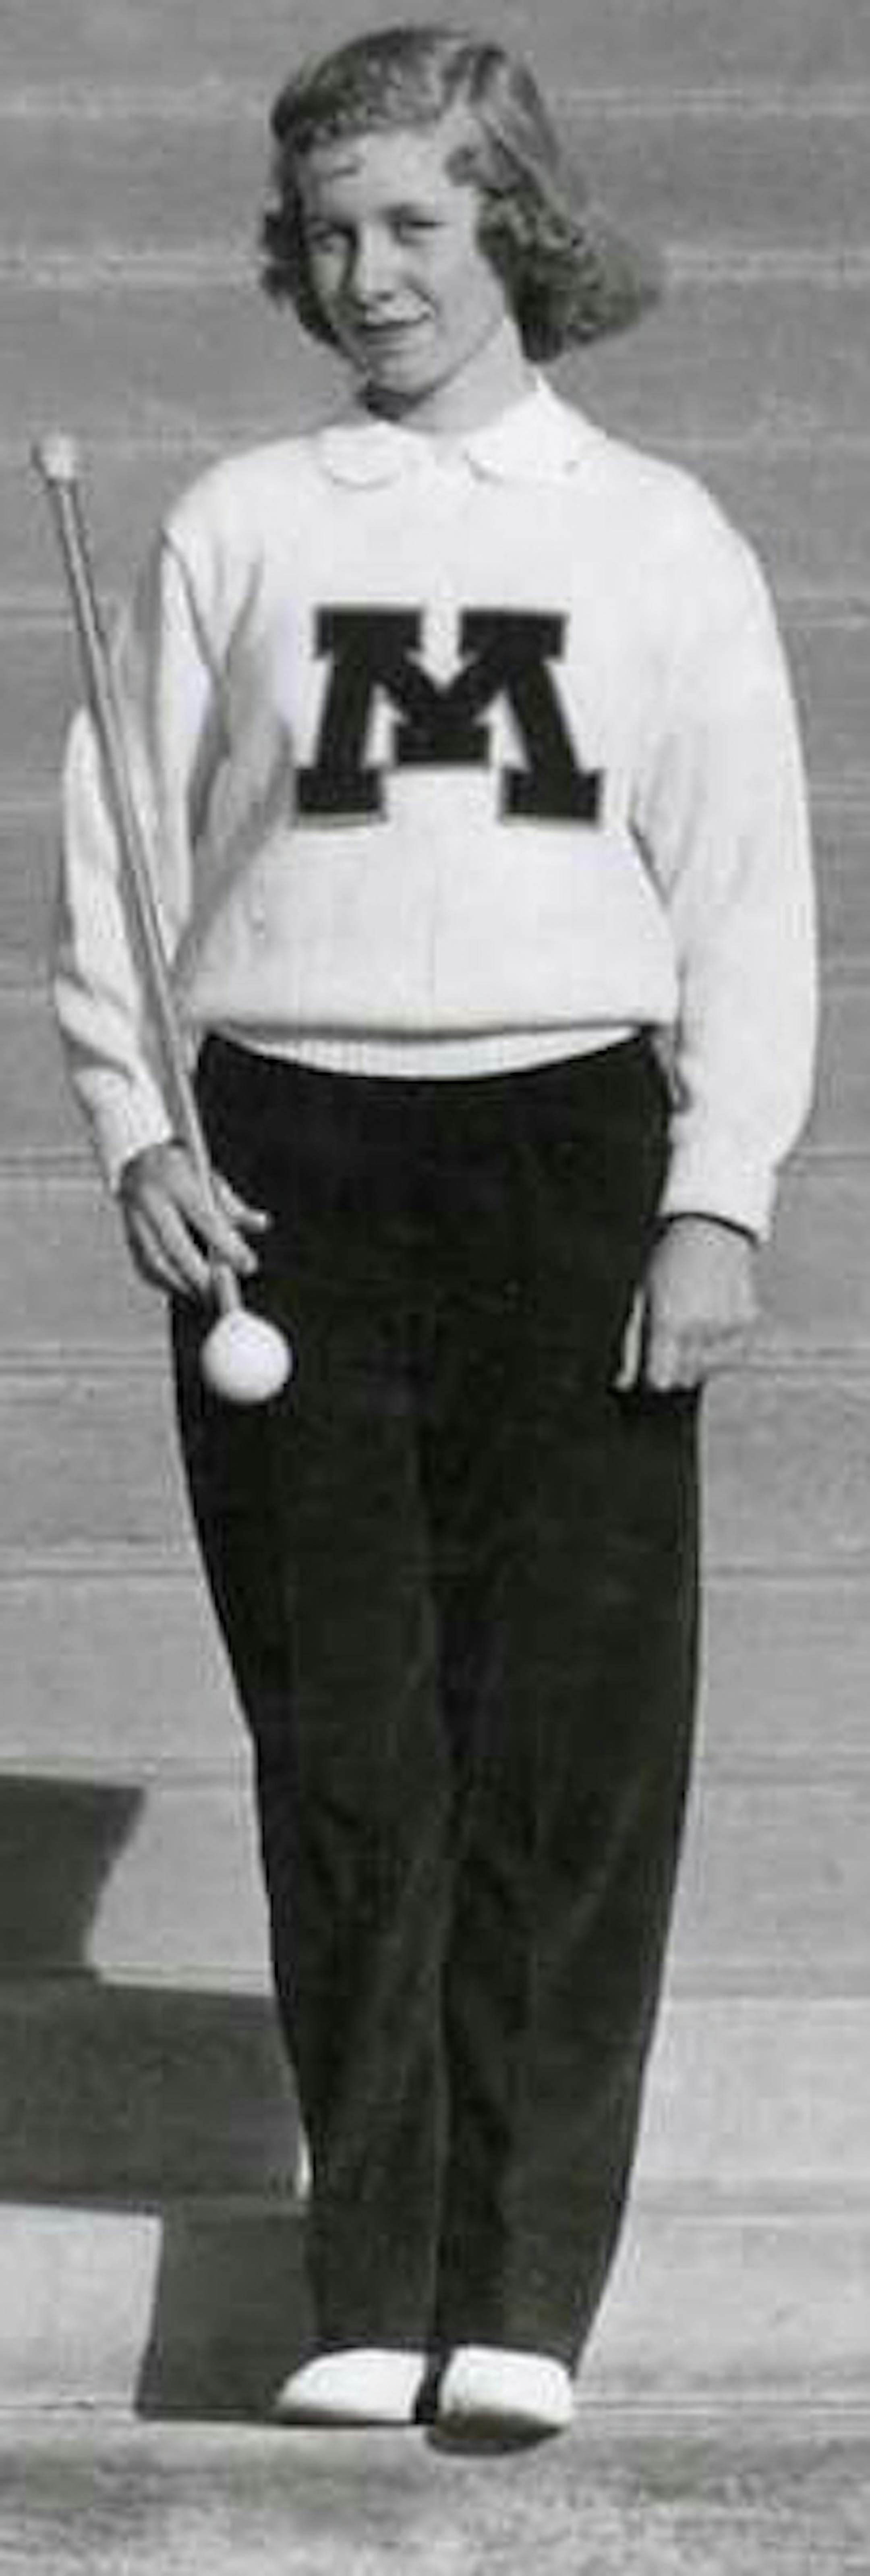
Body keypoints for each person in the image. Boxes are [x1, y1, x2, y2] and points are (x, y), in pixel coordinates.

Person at [52, 25, 817, 2441]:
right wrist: (135, 1125)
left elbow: (751, 896)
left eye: (418, 223)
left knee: (569, 1757)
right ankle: (372, 2279)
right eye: (333, 230)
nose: (370, 274)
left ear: (515, 222)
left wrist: (716, 1194)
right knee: (352, 1752)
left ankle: (526, 2303)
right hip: (292, 1165)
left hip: (572, 1156)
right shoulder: (240, 524)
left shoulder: (658, 532)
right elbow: (126, 857)